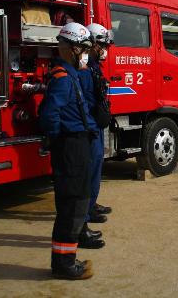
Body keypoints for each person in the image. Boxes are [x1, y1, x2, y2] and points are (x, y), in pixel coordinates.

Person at [40, 22, 97, 280]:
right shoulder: (62, 78)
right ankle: (63, 266)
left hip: (78, 145)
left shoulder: (71, 73)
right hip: (70, 146)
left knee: (78, 202)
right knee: (71, 207)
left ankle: (67, 260)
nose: (87, 54)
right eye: (84, 49)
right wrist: (57, 141)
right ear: (73, 48)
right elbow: (49, 114)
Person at [78, 23, 113, 232]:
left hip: (96, 124)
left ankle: (91, 204)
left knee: (96, 167)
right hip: (89, 126)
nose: (104, 49)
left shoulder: (93, 66)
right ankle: (86, 210)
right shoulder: (83, 69)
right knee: (90, 169)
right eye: (101, 44)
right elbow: (83, 101)